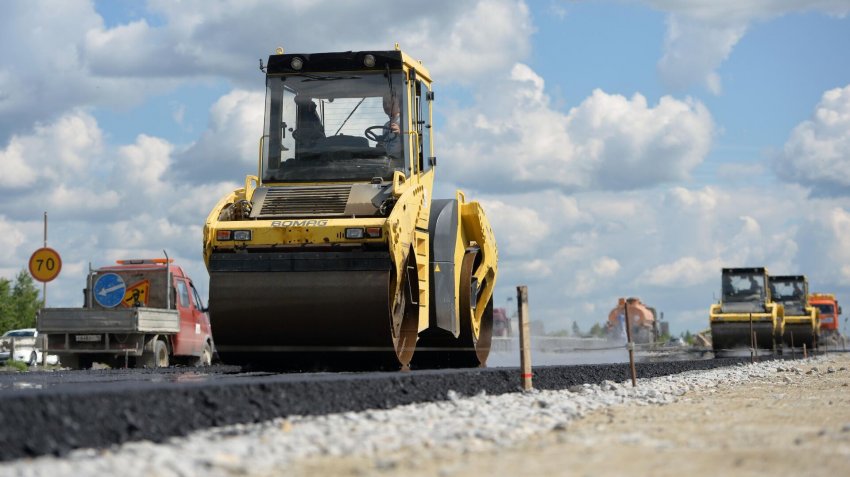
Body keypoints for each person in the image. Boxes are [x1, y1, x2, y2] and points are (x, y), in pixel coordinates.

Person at [381, 92, 402, 159]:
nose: (387, 106)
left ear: (399, 104)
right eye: (384, 103)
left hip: (402, 162)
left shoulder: (406, 122)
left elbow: (413, 142)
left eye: (390, 103)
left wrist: (401, 133)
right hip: (388, 160)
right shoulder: (386, 125)